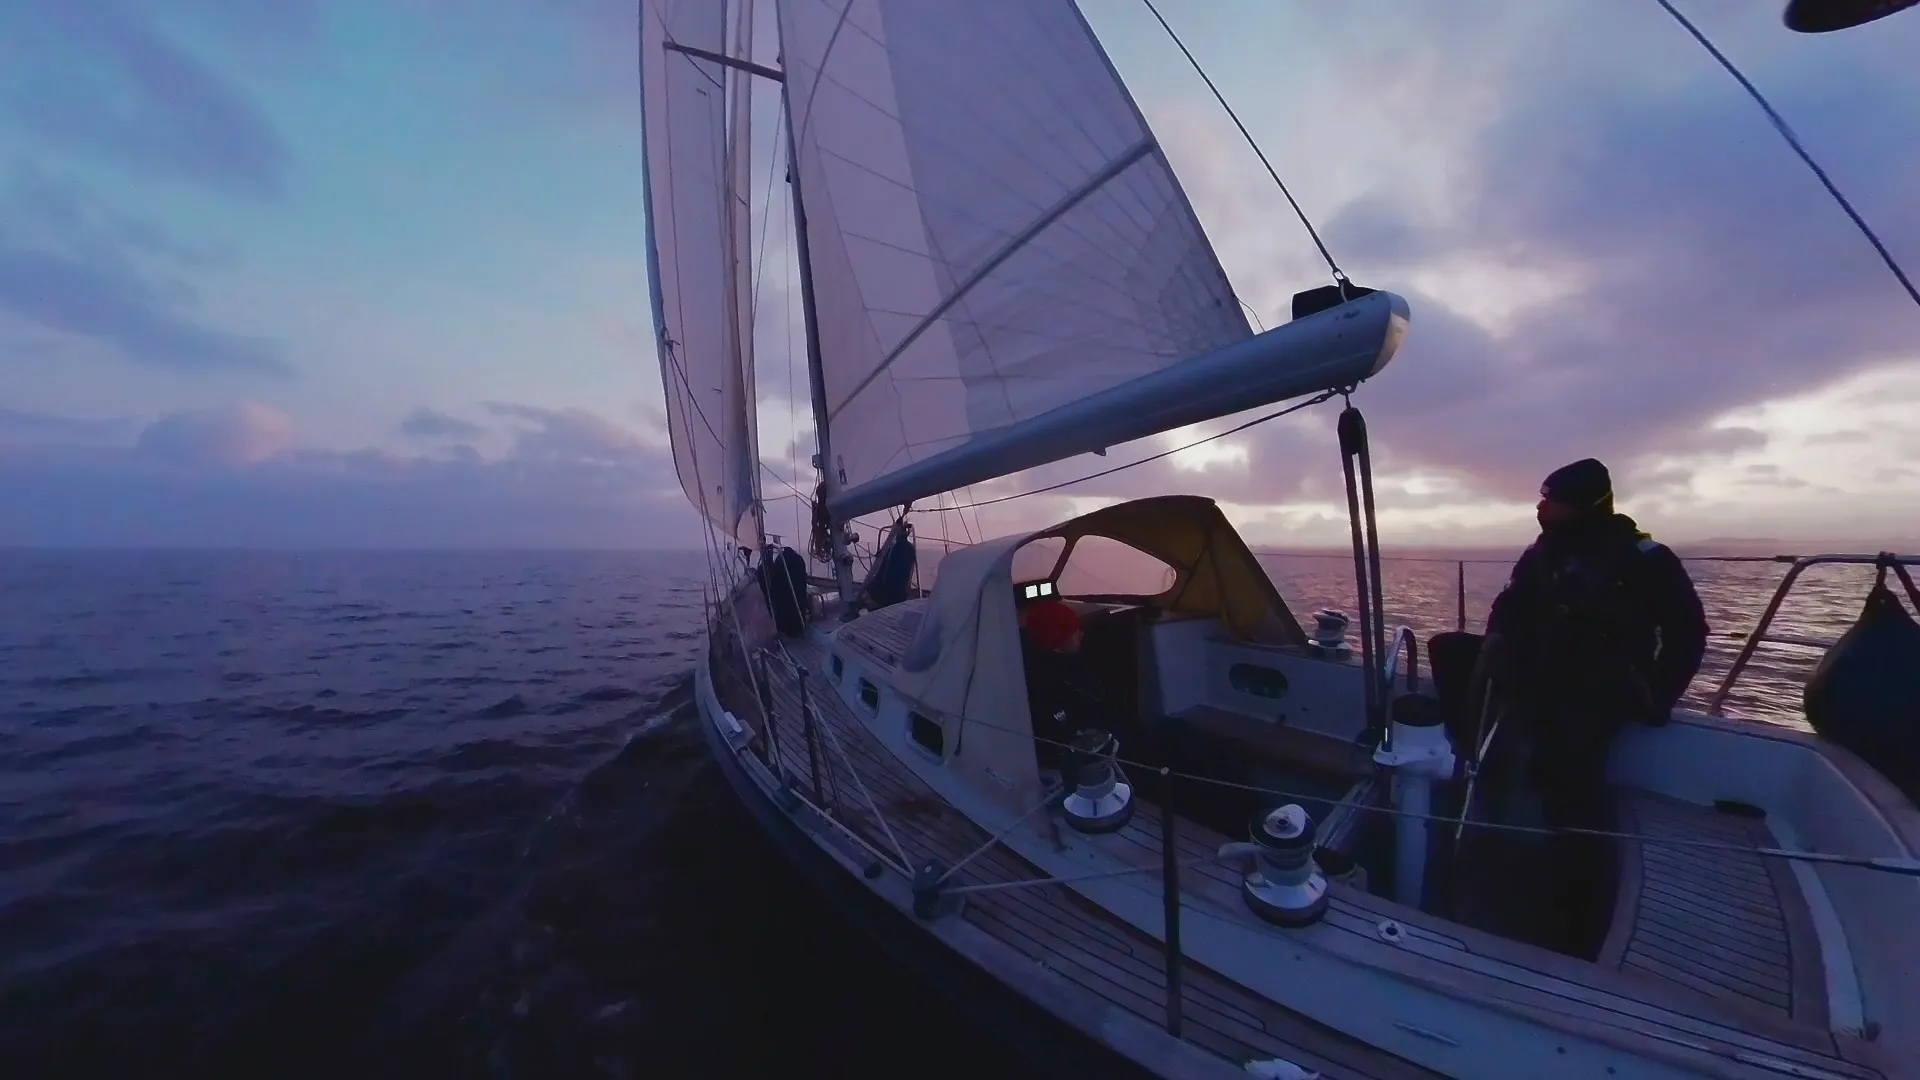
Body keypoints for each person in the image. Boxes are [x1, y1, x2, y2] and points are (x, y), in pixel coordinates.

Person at [1480, 457, 1709, 955]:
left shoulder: (1645, 560)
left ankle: (1575, 913)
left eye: (1553, 500)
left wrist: (1659, 694)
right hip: (1536, 688)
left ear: (1585, 505)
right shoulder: (1544, 552)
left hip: (1594, 699)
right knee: (1535, 778)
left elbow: (1688, 632)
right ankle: (1531, 868)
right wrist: (1497, 638)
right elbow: (1512, 602)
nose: (1542, 508)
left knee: (1575, 796)